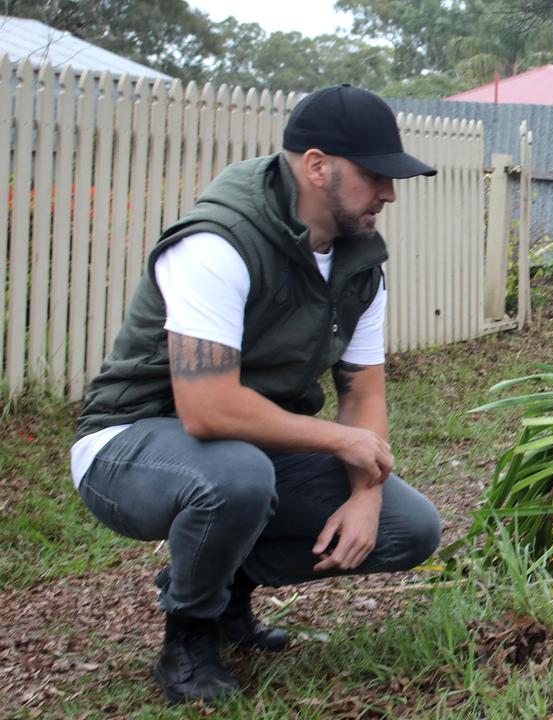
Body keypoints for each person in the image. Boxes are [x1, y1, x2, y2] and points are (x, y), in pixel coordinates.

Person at [70, 84, 442, 704]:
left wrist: (367, 492)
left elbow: (363, 391)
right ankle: (188, 635)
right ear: (317, 166)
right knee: (235, 477)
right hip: (128, 442)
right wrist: (344, 442)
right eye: (375, 175)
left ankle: (225, 591)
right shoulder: (218, 244)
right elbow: (208, 408)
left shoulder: (358, 264)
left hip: (251, 446)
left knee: (409, 528)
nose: (389, 194)